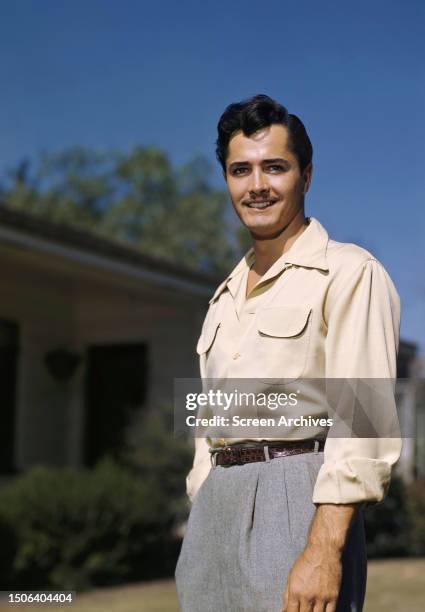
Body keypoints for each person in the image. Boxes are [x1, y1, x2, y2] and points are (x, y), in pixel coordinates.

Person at [175, 94, 402, 612]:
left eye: (274, 167)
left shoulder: (349, 273)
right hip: (216, 512)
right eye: (240, 170)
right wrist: (205, 505)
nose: (257, 186)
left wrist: (323, 551)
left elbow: (363, 423)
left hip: (297, 498)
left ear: (306, 175)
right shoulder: (223, 298)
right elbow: (209, 422)